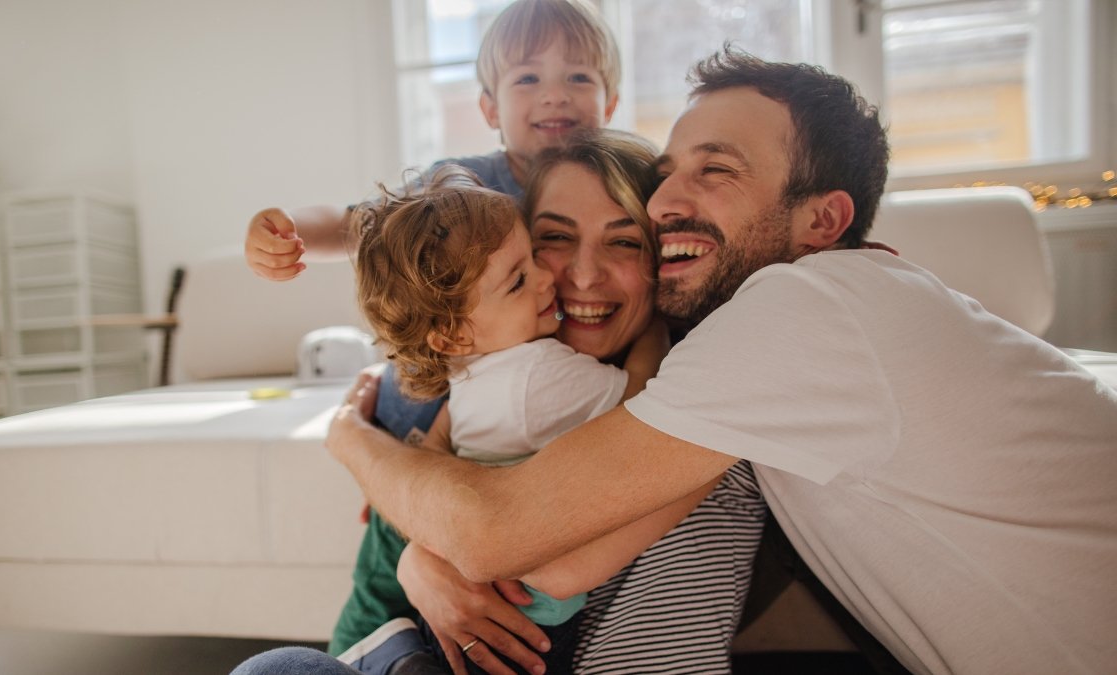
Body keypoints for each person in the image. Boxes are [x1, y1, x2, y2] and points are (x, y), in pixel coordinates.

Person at [325, 47, 1117, 675]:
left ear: (822, 220)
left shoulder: (805, 310)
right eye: (668, 173)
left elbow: (515, 540)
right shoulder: (784, 333)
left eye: (716, 170)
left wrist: (351, 440)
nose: (666, 200)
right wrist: (426, 551)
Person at [232, 130, 765, 675]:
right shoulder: (500, 366)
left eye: (625, 241)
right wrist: (416, 540)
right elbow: (435, 463)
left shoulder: (699, 404)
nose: (574, 277)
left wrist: (358, 446)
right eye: (549, 242)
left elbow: (519, 549)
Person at [242, 0, 620, 280]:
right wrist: (289, 229)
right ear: (491, 110)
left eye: (578, 78)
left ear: (610, 106)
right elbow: (357, 224)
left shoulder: (629, 184)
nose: (554, 95)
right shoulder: (457, 184)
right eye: (527, 79)